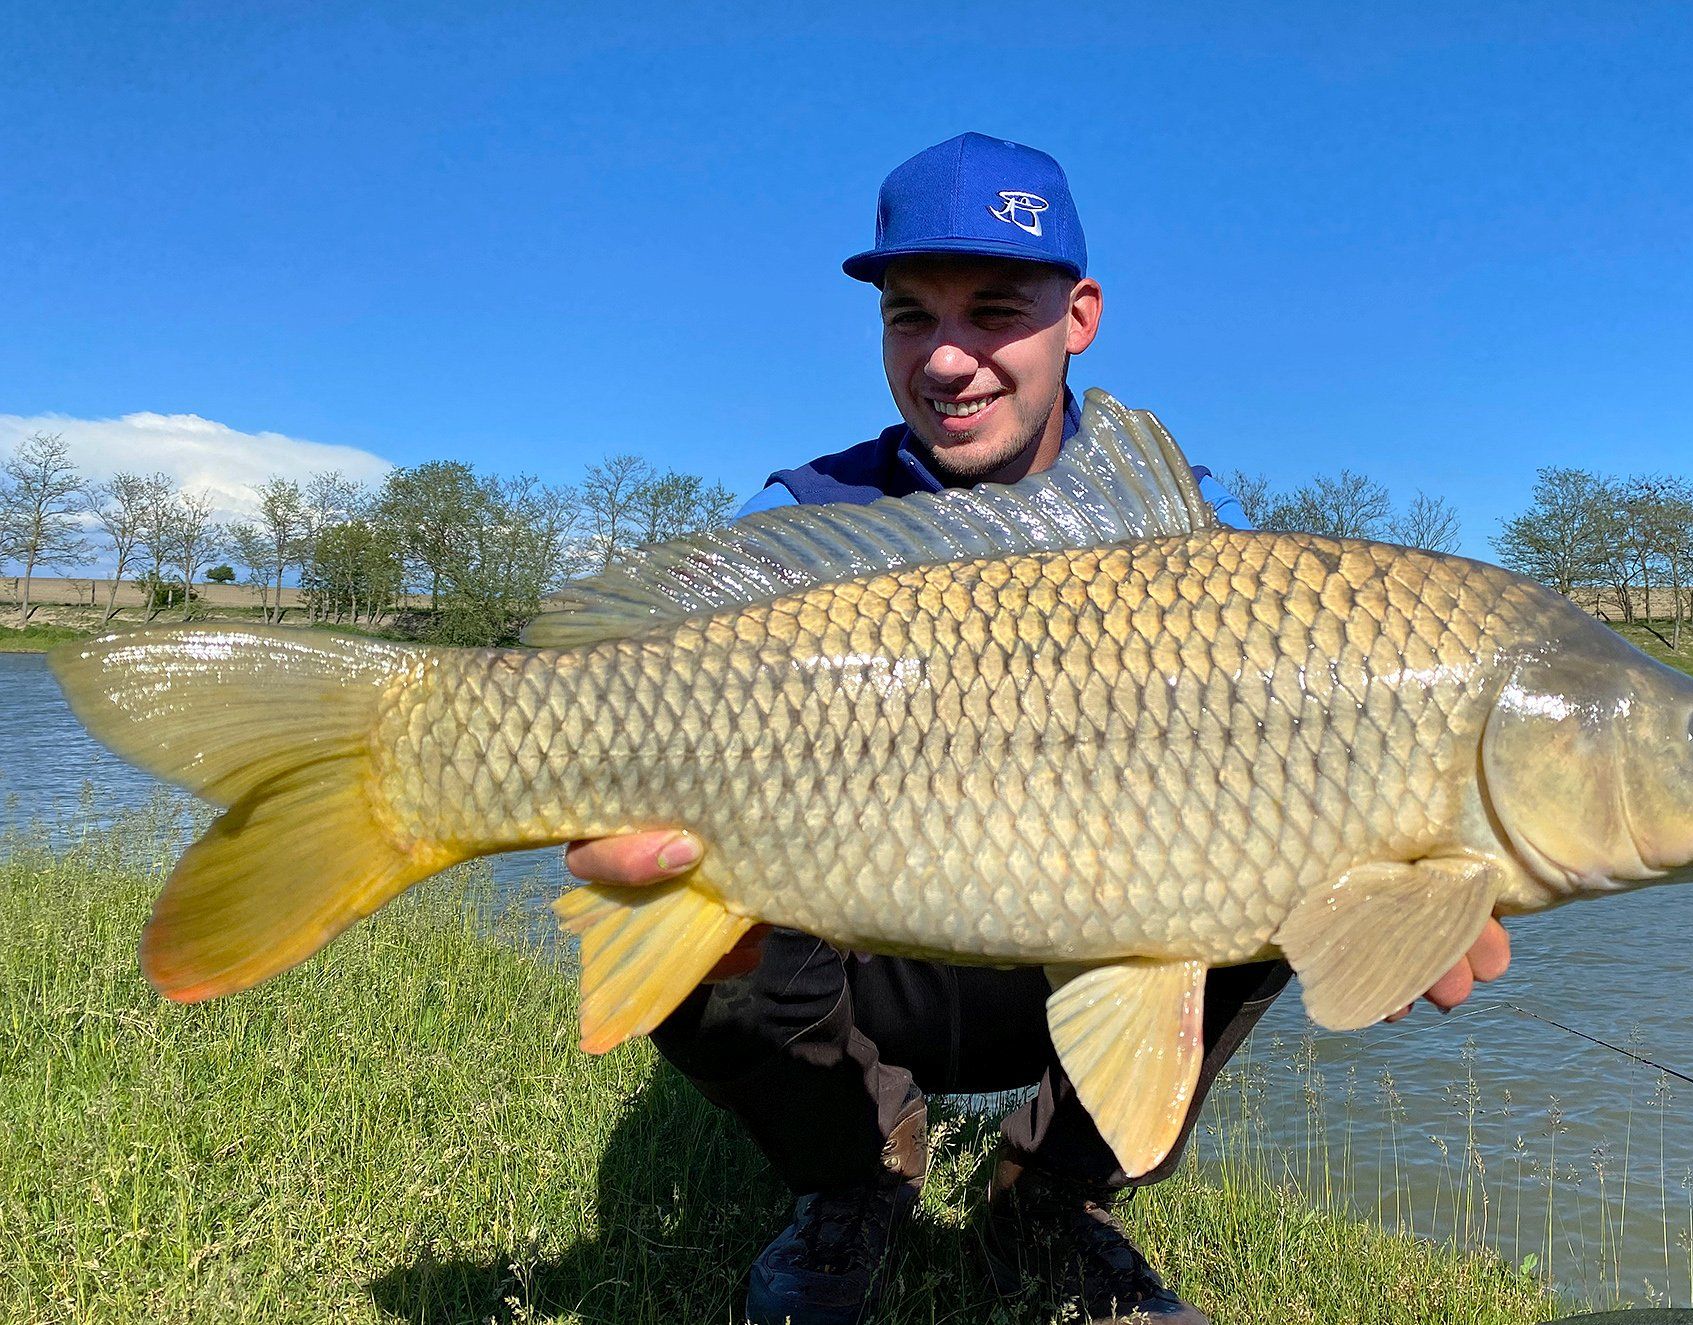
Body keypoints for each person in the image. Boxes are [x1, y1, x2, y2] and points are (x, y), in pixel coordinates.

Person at [564, 133, 1512, 1325]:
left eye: (997, 312)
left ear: (1082, 315)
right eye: (912, 318)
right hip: (866, 955)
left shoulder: (1201, 545)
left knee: (1295, 838)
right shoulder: (803, 520)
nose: (949, 360)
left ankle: (1046, 1194)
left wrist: (1396, 890)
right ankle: (857, 1174)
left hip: (1070, 950)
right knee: (681, 910)